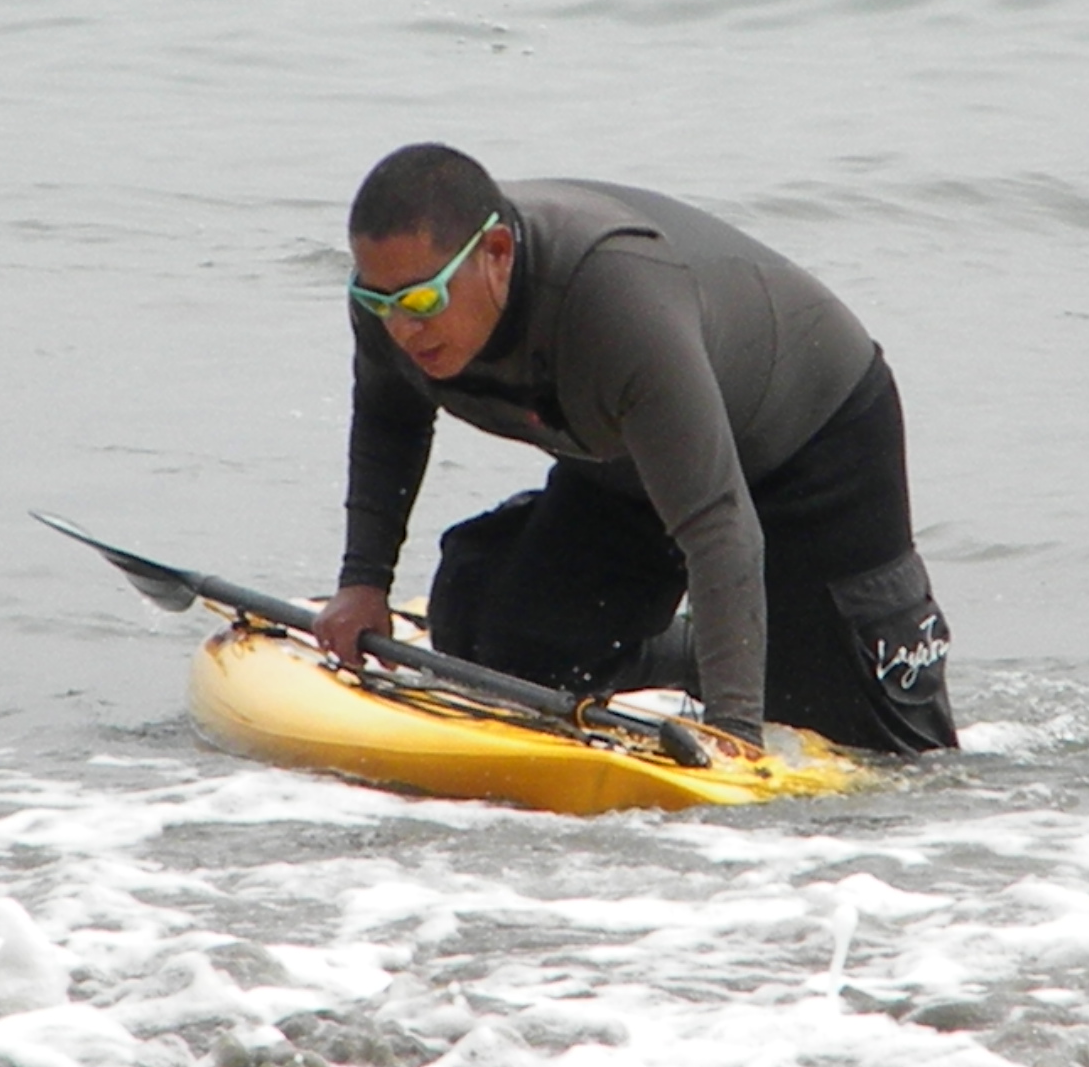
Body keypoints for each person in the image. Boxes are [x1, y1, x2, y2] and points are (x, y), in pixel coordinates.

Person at [311, 143, 955, 754]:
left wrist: (731, 736)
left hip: (812, 441)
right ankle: (704, 651)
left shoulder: (615, 300)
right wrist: (363, 582)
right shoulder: (391, 303)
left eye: (422, 301)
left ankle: (773, 655)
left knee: (881, 752)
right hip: (627, 461)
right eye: (380, 301)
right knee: (502, 646)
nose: (402, 326)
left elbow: (719, 525)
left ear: (497, 253)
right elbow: (389, 423)